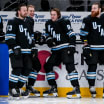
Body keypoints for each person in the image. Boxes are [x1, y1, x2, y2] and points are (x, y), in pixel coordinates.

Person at [43, 8, 81, 98]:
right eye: (51, 14)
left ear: (58, 15)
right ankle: (53, 87)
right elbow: (47, 34)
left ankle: (76, 88)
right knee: (48, 66)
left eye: (54, 14)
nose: (52, 16)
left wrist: (72, 46)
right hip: (56, 50)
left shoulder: (64, 21)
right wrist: (48, 40)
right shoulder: (48, 23)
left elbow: (72, 34)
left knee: (70, 66)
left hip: (65, 48)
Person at [5, 4, 35, 99]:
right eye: (24, 10)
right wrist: (14, 47)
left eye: (26, 10)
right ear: (19, 11)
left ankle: (18, 87)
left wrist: (33, 47)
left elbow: (31, 36)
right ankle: (11, 88)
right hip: (16, 50)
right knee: (17, 69)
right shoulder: (13, 21)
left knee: (28, 69)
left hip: (27, 51)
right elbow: (9, 37)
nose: (26, 12)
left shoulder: (29, 21)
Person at [80, 2, 104, 98]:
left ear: (100, 9)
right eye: (91, 8)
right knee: (92, 67)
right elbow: (83, 34)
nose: (92, 10)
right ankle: (91, 87)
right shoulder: (87, 19)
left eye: (94, 8)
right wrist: (86, 45)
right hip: (93, 48)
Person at [21, 5, 42, 97]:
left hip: (28, 48)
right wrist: (32, 47)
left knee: (35, 66)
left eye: (33, 11)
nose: (32, 13)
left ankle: (29, 86)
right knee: (28, 67)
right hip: (27, 49)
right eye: (30, 11)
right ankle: (19, 87)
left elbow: (29, 34)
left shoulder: (29, 20)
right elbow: (27, 35)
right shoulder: (28, 20)